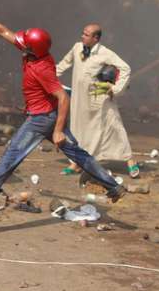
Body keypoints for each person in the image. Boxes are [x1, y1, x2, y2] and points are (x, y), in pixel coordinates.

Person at [0, 7, 126, 214]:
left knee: (10, 159)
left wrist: (57, 131)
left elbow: (63, 97)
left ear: (32, 48)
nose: (20, 43)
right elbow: (3, 31)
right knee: (79, 155)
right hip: (49, 115)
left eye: (25, 43)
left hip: (41, 120)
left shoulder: (41, 69)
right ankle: (113, 186)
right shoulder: (36, 52)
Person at [56, 23, 139, 179]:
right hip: (80, 98)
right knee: (79, 129)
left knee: (114, 127)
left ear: (96, 38)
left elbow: (125, 68)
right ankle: (76, 163)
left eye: (87, 35)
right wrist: (45, 75)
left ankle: (130, 161)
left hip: (99, 98)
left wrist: (114, 89)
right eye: (83, 33)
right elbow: (63, 65)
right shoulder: (77, 48)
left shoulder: (105, 53)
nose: (83, 36)